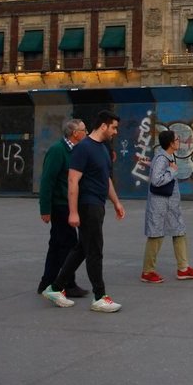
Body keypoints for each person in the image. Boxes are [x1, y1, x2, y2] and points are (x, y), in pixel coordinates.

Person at [42, 110, 125, 312]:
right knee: (95, 250)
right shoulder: (84, 148)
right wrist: (73, 212)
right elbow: (73, 180)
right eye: (113, 127)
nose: (115, 132)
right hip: (87, 206)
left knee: (82, 248)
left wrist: (116, 202)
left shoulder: (103, 149)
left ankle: (55, 287)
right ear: (103, 126)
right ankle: (100, 296)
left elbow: (105, 179)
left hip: (98, 205)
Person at [37, 118, 89, 297]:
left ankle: (46, 282)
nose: (86, 132)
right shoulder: (58, 151)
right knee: (69, 245)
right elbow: (47, 181)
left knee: (57, 245)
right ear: (75, 134)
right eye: (84, 130)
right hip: (61, 205)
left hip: (69, 204)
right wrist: (45, 209)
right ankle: (68, 283)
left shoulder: (76, 150)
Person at [140, 130, 193, 283]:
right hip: (160, 204)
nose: (179, 141)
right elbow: (156, 180)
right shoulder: (162, 158)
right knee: (156, 236)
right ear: (171, 143)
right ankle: (147, 271)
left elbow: (156, 170)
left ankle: (183, 268)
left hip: (170, 205)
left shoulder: (165, 156)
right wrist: (172, 171)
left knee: (179, 232)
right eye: (177, 139)